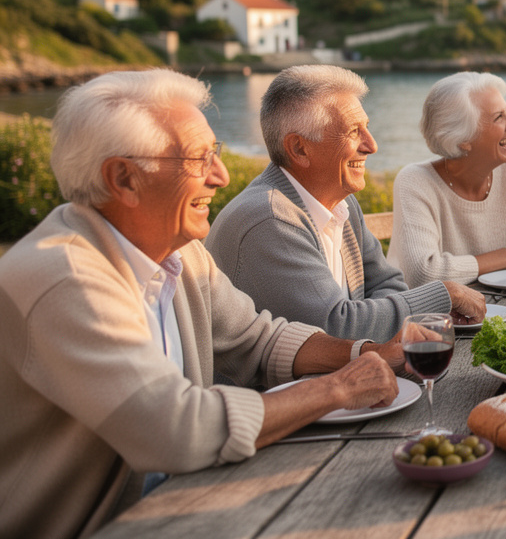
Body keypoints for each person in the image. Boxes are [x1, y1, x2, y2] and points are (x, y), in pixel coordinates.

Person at [0, 69, 406, 539]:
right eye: (199, 158)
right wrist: (335, 390)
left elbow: (258, 339)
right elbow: (176, 429)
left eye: (216, 152)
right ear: (124, 178)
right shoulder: (63, 279)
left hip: (184, 503)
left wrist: (364, 353)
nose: (223, 175)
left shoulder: (180, 253)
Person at [206, 66, 484, 342]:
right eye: (353, 131)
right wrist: (446, 295)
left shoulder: (341, 203)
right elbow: (336, 329)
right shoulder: (270, 220)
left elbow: (388, 283)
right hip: (271, 388)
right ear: (299, 149)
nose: (371, 145)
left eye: (367, 127)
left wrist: (371, 317)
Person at [387, 72, 506, 287]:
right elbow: (423, 273)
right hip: (436, 317)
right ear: (463, 139)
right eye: (499, 117)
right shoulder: (415, 181)